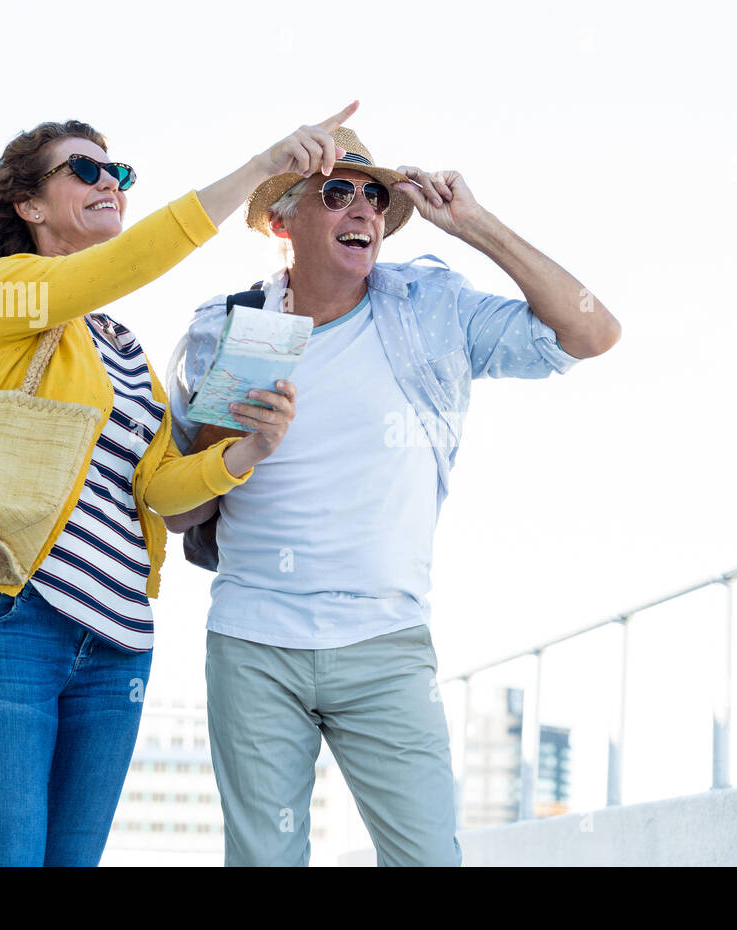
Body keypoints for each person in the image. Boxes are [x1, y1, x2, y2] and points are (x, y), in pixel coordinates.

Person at [165, 125, 621, 866]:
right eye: (336, 192)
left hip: (386, 645)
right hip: (255, 640)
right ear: (283, 223)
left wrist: (477, 226)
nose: (362, 210)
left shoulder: (427, 307)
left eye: (373, 195)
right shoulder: (227, 327)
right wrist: (237, 438)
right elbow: (181, 509)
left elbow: (591, 331)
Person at [0, 103, 359, 865]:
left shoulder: (122, 348)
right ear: (29, 205)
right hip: (12, 619)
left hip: (117, 641)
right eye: (85, 170)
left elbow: (160, 490)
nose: (111, 183)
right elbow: (130, 262)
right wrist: (262, 169)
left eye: (119, 173)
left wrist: (249, 448)